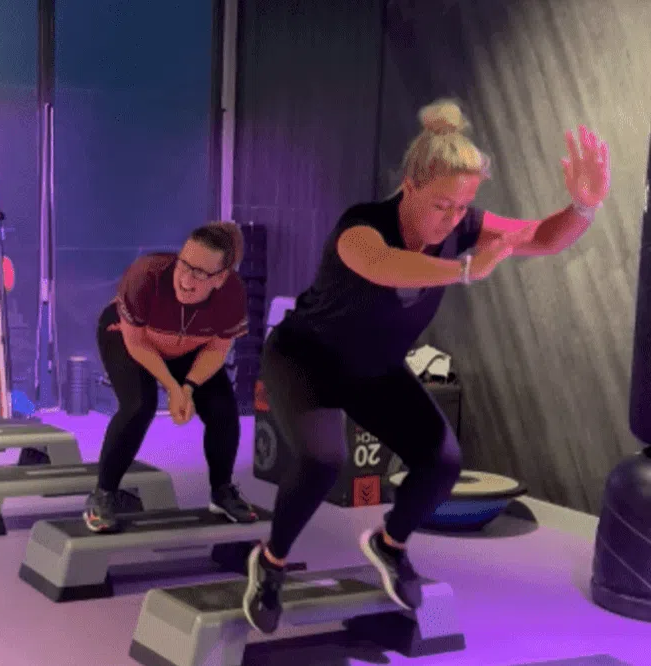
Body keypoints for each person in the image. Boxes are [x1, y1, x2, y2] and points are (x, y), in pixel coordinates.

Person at [242, 99, 611, 634]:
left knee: (442, 461)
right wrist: (465, 270)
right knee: (322, 461)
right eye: (442, 205)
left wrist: (582, 208)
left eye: (463, 207)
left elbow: (543, 238)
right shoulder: (361, 227)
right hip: (306, 359)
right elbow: (385, 267)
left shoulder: (465, 227)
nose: (453, 219)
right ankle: (271, 562)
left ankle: (389, 545)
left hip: (374, 368)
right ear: (409, 186)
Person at [84, 223, 261, 532]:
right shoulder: (145, 275)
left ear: (220, 278)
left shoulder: (232, 294)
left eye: (200, 274)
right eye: (184, 265)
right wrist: (172, 388)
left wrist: (189, 387)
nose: (186, 280)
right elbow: (137, 344)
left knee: (222, 409)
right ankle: (103, 494)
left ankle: (222, 491)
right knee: (139, 405)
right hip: (129, 338)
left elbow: (217, 350)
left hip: (190, 345)